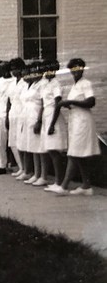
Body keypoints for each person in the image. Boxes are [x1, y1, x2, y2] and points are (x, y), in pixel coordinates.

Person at [55, 58, 100, 196]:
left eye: (78, 68)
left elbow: (91, 101)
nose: (75, 71)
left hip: (83, 121)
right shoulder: (75, 85)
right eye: (73, 69)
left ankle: (64, 186)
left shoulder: (86, 83)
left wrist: (71, 101)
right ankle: (86, 186)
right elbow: (79, 102)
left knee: (74, 153)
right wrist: (68, 104)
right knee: (79, 154)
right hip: (76, 120)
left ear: (82, 69)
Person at [41, 60, 68, 192]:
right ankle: (58, 181)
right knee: (51, 150)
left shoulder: (56, 84)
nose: (47, 71)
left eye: (49, 69)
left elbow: (58, 103)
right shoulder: (47, 84)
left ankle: (59, 181)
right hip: (47, 115)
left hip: (54, 117)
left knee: (54, 149)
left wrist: (52, 124)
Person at [0, 62, 15, 175]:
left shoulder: (15, 81)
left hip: (13, 113)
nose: (3, 71)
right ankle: (1, 165)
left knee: (14, 142)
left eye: (6, 68)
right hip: (0, 114)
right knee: (0, 142)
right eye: (1, 69)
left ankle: (17, 165)